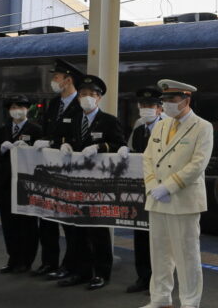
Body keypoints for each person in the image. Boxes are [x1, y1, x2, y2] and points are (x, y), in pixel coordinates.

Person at [137, 79, 214, 308]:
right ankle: (160, 297)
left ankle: (190, 300)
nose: (167, 105)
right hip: (158, 197)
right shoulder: (160, 126)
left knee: (186, 251)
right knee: (159, 250)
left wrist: (169, 187)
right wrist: (152, 186)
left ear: (186, 100)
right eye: (165, 101)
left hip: (183, 197)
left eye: (171, 100)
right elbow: (147, 157)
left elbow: (198, 164)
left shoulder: (202, 127)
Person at [55, 74, 126, 289]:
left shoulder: (109, 120)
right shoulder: (73, 119)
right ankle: (81, 271)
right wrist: (63, 145)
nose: (87, 98)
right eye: (83, 94)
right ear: (78, 98)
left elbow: (119, 145)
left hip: (98, 184)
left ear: (99, 98)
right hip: (75, 183)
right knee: (76, 229)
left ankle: (102, 273)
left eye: (92, 95)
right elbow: (62, 138)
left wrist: (99, 147)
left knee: (98, 230)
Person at [35, 59, 82, 280]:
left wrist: (56, 144)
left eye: (56, 77)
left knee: (70, 223)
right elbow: (47, 130)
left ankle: (70, 265)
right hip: (49, 171)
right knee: (47, 219)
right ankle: (48, 262)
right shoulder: (53, 104)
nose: (53, 81)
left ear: (68, 80)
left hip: (70, 173)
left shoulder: (81, 105)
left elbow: (78, 137)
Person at [0, 94, 43, 273]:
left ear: (27, 109)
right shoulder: (3, 129)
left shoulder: (36, 130)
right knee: (9, 223)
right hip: (6, 182)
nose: (17, 110)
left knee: (28, 223)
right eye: (13, 107)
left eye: (21, 107)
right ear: (8, 111)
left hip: (27, 183)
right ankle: (12, 258)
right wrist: (1, 148)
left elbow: (43, 157)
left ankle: (26, 260)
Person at [124, 87, 163, 293]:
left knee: (159, 237)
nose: (146, 109)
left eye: (151, 106)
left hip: (160, 190)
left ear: (159, 109)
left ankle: (159, 279)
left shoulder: (167, 128)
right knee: (140, 234)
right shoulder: (139, 130)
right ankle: (143, 276)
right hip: (139, 190)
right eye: (143, 106)